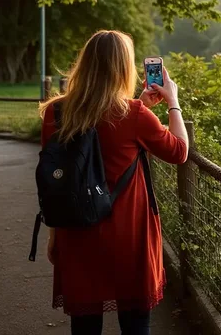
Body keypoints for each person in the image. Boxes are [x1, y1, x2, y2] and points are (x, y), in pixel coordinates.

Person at [39, 30, 189, 335]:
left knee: (85, 325)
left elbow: (53, 182)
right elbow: (179, 151)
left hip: (76, 231)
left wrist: (53, 236)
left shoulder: (56, 112)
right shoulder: (134, 115)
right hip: (127, 236)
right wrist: (173, 103)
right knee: (135, 325)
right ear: (124, 68)